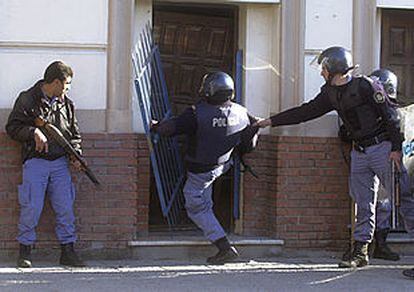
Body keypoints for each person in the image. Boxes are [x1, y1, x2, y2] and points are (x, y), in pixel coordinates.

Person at [255, 46, 402, 268]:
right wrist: (270, 121)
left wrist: (396, 148)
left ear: (333, 69)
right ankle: (360, 252)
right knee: (363, 203)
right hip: (359, 152)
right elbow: (305, 112)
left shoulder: (365, 86)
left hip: (382, 148)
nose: (321, 72)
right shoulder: (330, 93)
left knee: (405, 198)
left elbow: (392, 116)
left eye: (323, 68)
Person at [152, 71, 259, 264]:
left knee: (195, 207)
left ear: (207, 91)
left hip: (200, 171)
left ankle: (224, 247)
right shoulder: (241, 111)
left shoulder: (196, 113)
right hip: (223, 165)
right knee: (204, 200)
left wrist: (155, 126)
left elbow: (170, 129)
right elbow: (254, 127)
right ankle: (215, 227)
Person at [6, 61, 85, 268]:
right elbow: (13, 127)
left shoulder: (67, 104)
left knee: (65, 207)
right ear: (56, 82)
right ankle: (25, 251)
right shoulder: (27, 99)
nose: (67, 89)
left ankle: (68, 252)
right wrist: (33, 132)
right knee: (31, 206)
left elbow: (74, 136)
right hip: (35, 162)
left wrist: (75, 155)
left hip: (60, 163)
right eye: (66, 85)